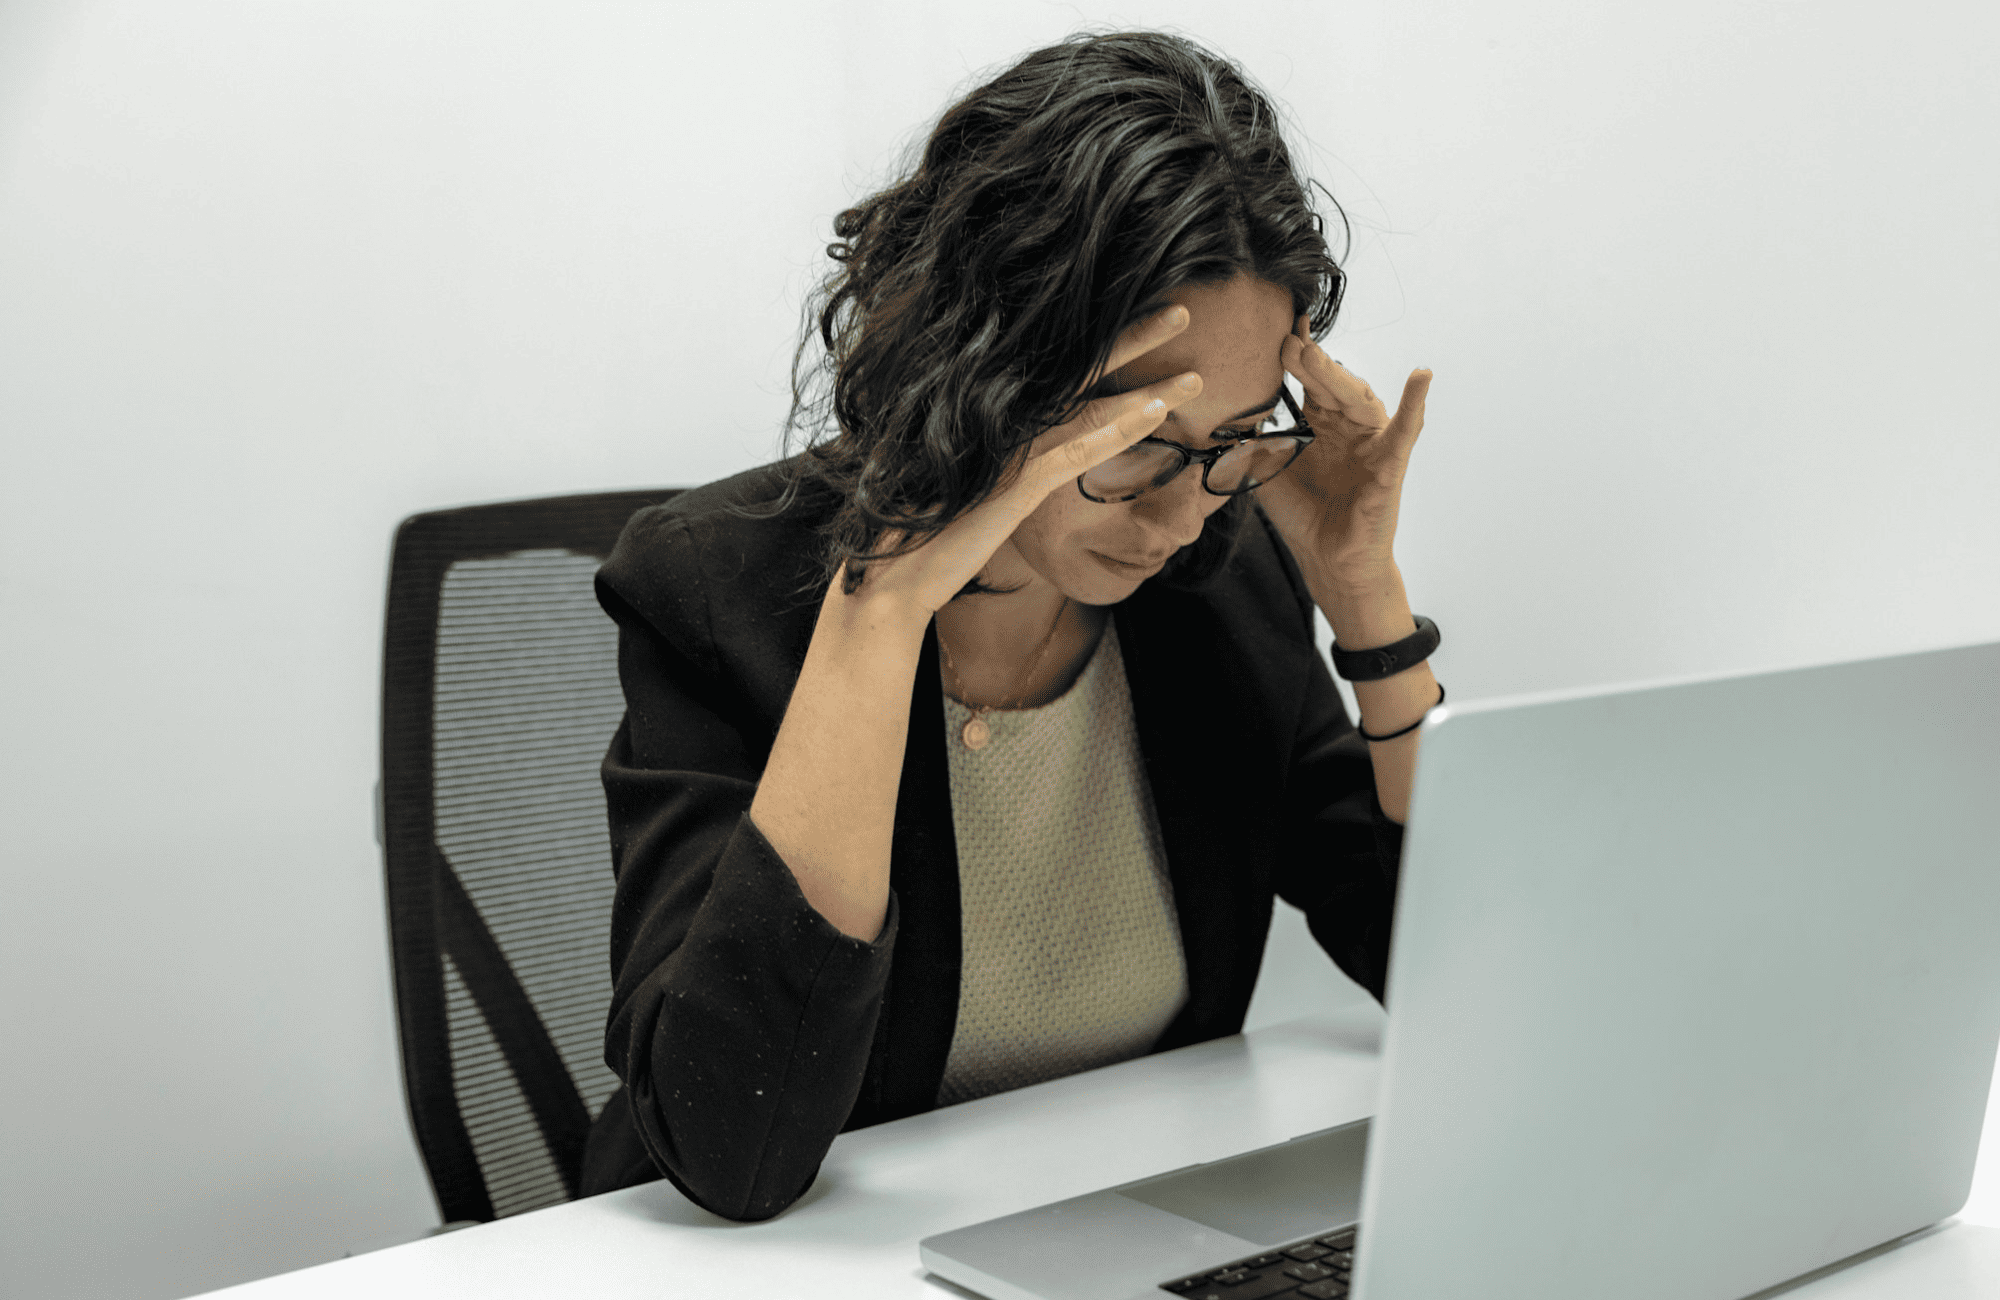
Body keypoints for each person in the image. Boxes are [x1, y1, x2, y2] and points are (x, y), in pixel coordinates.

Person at [580, 28, 1441, 1222]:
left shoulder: (1220, 583)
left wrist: (1364, 603)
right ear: (982, 368)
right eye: (1137, 442)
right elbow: (734, 1150)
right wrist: (881, 614)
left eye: (1236, 442)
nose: (1179, 516)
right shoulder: (715, 590)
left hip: (1105, 1232)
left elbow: (1455, 977)